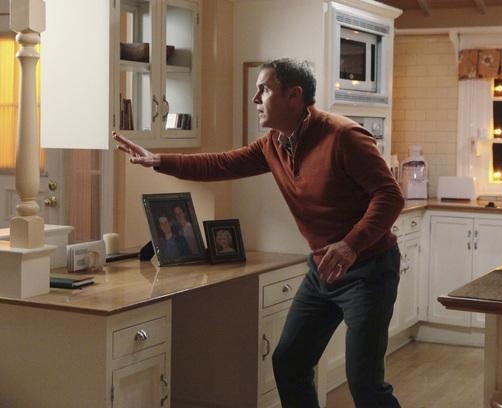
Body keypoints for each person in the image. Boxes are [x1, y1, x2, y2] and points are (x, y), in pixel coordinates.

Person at [114, 58, 404, 407]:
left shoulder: (343, 136)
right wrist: (159, 161)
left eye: (264, 90)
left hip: (369, 271)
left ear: (294, 96)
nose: (255, 99)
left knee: (365, 383)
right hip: (323, 271)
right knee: (289, 363)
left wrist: (350, 245)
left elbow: (390, 196)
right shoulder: (273, 145)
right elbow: (221, 163)